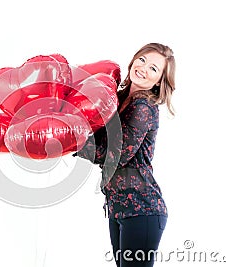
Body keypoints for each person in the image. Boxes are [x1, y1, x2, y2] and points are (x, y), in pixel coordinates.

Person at [75, 43, 176, 267]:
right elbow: (98, 138)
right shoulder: (117, 99)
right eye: (142, 60)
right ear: (134, 59)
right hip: (118, 208)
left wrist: (73, 142)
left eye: (153, 69)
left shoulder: (143, 108)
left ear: (159, 80)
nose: (143, 69)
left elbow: (117, 157)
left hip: (143, 210)